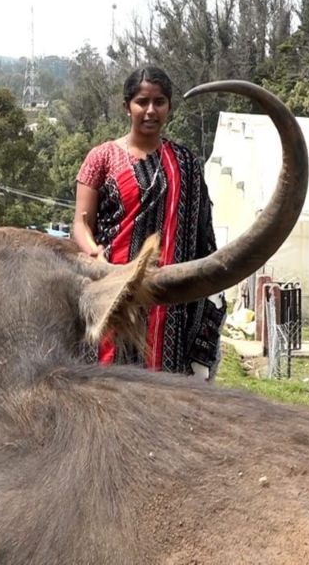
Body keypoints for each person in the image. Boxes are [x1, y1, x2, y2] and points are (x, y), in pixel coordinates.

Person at [73, 66, 226, 381]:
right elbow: (80, 223)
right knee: (109, 381)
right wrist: (94, 254)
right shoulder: (101, 158)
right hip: (115, 290)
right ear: (127, 106)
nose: (151, 110)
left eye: (159, 102)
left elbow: (201, 235)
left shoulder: (186, 162)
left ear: (169, 106)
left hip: (169, 299)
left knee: (165, 387)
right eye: (142, 101)